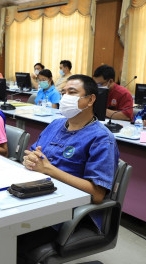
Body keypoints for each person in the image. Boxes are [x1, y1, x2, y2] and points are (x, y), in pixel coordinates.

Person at [18, 75, 119, 260]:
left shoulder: (101, 138)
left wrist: (49, 170)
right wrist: (30, 159)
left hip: (68, 214)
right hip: (38, 198)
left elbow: (97, 194)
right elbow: (33, 154)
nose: (65, 97)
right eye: (63, 92)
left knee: (15, 242)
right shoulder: (56, 124)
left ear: (90, 99)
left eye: (72, 92)